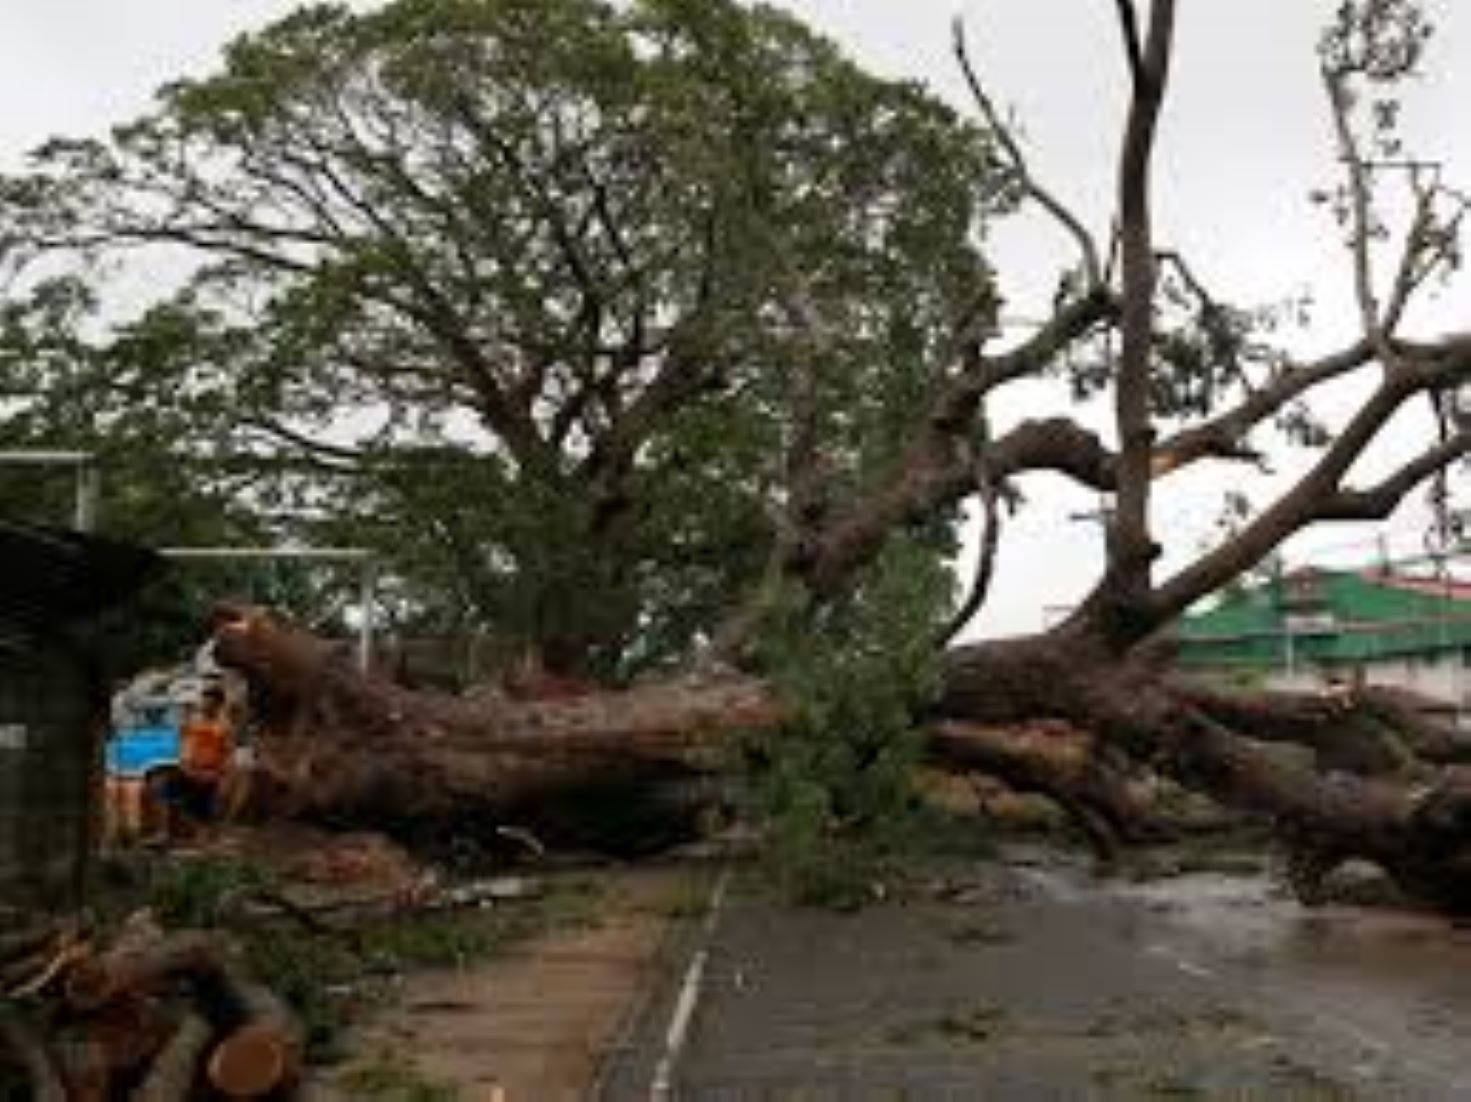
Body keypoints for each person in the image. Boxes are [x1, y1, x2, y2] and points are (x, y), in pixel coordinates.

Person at [159, 684, 235, 838]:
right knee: (166, 794)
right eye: (204, 700)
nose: (205, 704)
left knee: (203, 809)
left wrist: (222, 776)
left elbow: (228, 752)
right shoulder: (193, 719)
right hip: (188, 768)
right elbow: (182, 740)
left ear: (219, 704)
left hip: (209, 772)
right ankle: (165, 833)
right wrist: (182, 762)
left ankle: (204, 840)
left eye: (210, 702)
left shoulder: (224, 725)